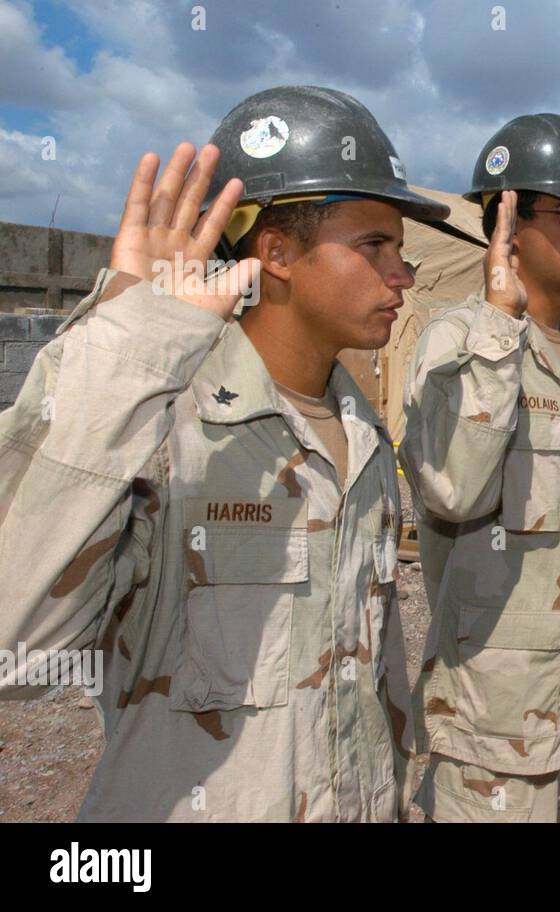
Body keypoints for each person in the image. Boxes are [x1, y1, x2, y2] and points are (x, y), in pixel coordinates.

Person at [0, 86, 444, 820]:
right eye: (375, 246)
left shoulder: (360, 434)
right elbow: (15, 653)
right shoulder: (163, 427)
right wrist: (128, 346)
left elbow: (366, 686)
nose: (403, 274)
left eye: (400, 249)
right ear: (277, 253)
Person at [399, 113, 560, 822]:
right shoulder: (461, 342)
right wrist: (502, 326)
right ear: (506, 221)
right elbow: (452, 486)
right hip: (496, 741)